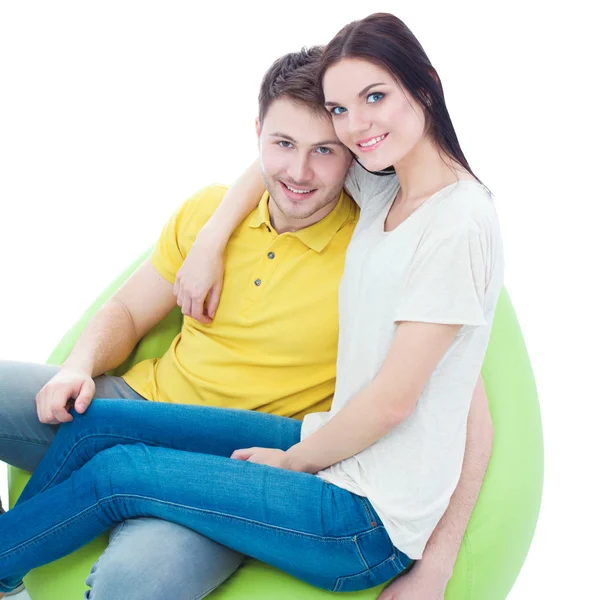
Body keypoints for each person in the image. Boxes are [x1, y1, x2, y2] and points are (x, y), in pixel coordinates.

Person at [0, 13, 500, 600]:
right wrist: (213, 237)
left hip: (362, 514)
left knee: (116, 475)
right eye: (344, 110)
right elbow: (280, 160)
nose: (357, 127)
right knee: (97, 432)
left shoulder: (455, 222)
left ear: (427, 84)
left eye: (374, 98)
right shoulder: (384, 187)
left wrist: (432, 567)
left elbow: (416, 401)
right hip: (323, 455)